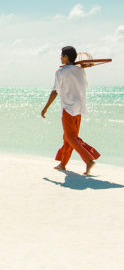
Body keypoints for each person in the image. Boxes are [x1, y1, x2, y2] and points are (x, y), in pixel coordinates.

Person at [41, 46, 100, 175]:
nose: (60, 58)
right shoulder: (81, 71)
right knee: (69, 137)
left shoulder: (60, 72)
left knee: (70, 137)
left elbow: (55, 91)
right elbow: (84, 85)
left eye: (61, 55)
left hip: (68, 107)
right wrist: (78, 69)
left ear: (66, 57)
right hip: (79, 107)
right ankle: (63, 164)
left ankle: (89, 159)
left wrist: (45, 108)